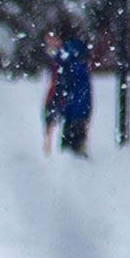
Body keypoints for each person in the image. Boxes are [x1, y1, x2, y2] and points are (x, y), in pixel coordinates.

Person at [43, 20, 93, 157]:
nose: (48, 43)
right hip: (80, 109)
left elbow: (60, 84)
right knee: (77, 147)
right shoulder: (76, 53)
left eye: (50, 39)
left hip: (73, 109)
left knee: (70, 153)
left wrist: (52, 106)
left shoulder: (65, 57)